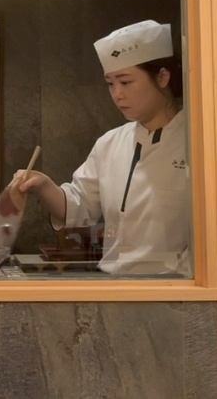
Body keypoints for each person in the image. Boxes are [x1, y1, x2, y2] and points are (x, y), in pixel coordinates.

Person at [13, 19, 192, 276]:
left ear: (163, 77)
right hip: (113, 284)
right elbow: (79, 206)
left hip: (174, 287)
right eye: (110, 83)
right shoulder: (110, 143)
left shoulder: (195, 143)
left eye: (125, 82)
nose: (117, 94)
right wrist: (42, 185)